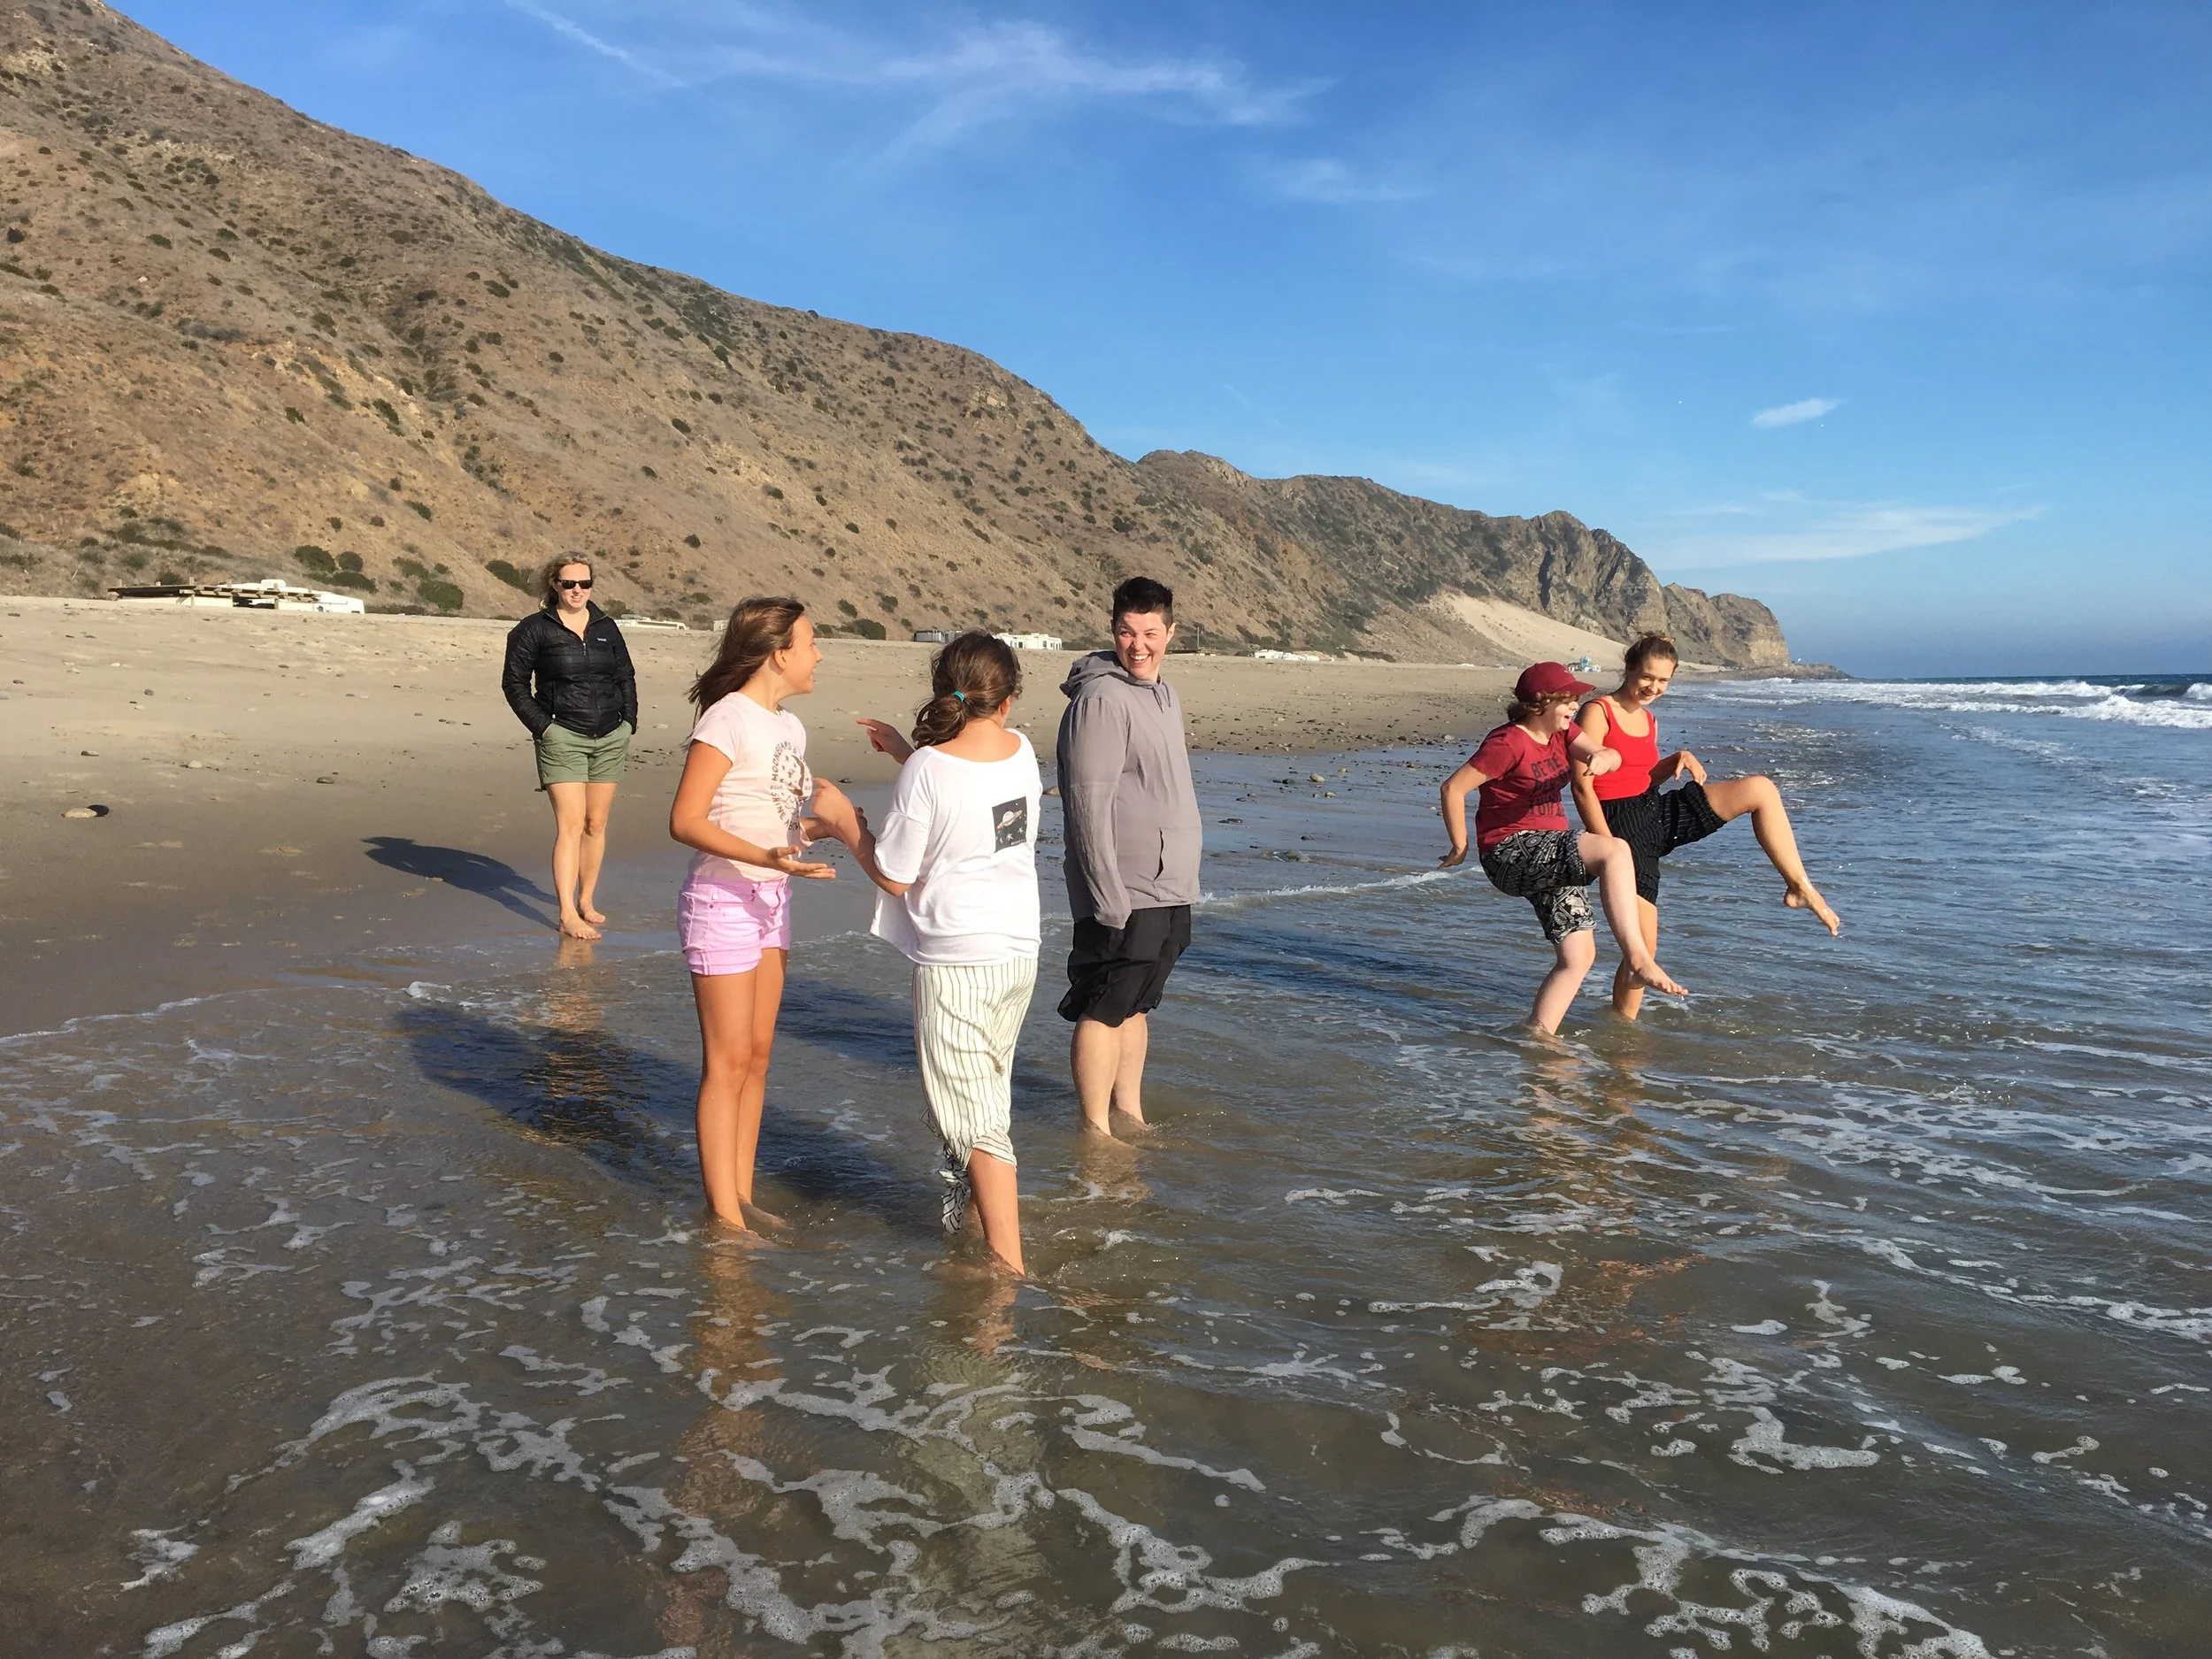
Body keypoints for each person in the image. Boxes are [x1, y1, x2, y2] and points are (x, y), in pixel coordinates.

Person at [667, 597, 862, 1233]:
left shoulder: (790, 727)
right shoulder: (727, 718)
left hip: (771, 900)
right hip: (721, 901)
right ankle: (724, 1221)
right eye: (811, 643)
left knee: (756, 1056)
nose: (819, 655)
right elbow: (685, 820)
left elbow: (773, 823)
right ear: (779, 654)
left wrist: (819, 831)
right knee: (725, 1063)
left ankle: (741, 1196)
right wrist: (765, 857)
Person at [851, 634, 1043, 1275]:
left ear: (943, 690)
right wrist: (906, 756)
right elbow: (977, 808)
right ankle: (979, 1234)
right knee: (986, 1100)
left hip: (959, 959)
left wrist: (845, 825)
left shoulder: (929, 770)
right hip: (1017, 951)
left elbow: (894, 875)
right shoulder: (1021, 752)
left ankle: (1006, 1268)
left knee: (976, 1123)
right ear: (1008, 701)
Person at [1573, 632, 1840, 1019]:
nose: (1653, 687)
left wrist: (1675, 759)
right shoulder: (1598, 711)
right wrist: (1608, 846)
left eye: (1663, 681)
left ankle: (1800, 887)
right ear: (1629, 668)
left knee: (1761, 790)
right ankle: (1622, 1034)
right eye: (1647, 677)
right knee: (1642, 955)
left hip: (1654, 811)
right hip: (1621, 830)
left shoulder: (1648, 719)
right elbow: (1582, 786)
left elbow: (1641, 779)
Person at [1438, 662, 1687, 1034]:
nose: (1575, 706)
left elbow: (1609, 755)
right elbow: (1453, 788)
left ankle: (1538, 1036)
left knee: (1579, 955)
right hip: (1510, 851)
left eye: (1575, 699)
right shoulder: (1507, 743)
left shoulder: (1564, 732)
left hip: (1552, 855)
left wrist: (1604, 757)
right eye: (1567, 699)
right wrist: (1460, 846)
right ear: (1540, 702)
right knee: (1614, 850)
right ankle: (1638, 959)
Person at [1055, 577, 1202, 1137]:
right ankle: (1095, 1130)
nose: (1138, 645)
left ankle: (1129, 1116)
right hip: (1123, 888)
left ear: (1170, 633)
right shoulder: (1101, 699)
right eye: (1126, 632)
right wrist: (1105, 894)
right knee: (1103, 1004)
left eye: (1149, 633)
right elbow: (1086, 803)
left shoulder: (1165, 695)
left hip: (1169, 883)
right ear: (1112, 630)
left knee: (1138, 1004)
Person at [501, 554, 637, 940]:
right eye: (570, 584)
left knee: (596, 824)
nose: (578, 591)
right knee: (572, 825)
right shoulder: (533, 629)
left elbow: (625, 676)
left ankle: (586, 901)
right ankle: (566, 913)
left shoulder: (606, 627)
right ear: (554, 585)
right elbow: (514, 684)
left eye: (585, 584)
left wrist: (629, 722)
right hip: (562, 736)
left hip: (610, 736)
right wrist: (545, 728)